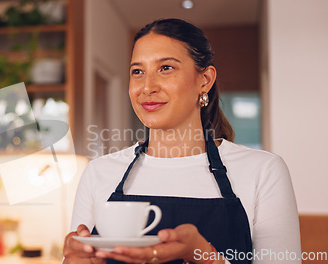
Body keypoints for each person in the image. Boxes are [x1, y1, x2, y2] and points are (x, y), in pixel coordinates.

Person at [63, 18, 301, 264]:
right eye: (137, 72)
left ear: (205, 80)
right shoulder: (98, 172)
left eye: (166, 68)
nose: (147, 87)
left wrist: (204, 256)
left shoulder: (263, 171)